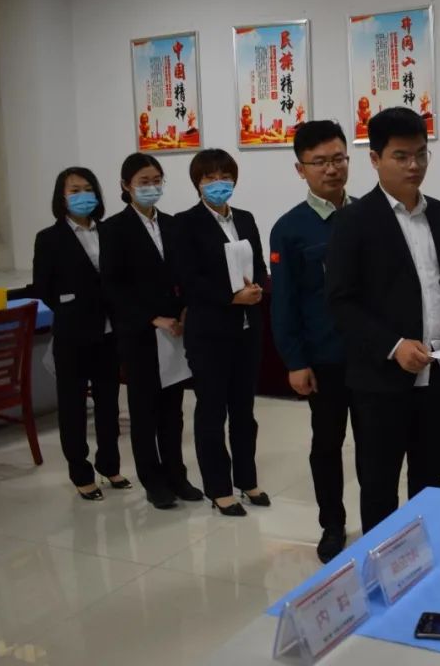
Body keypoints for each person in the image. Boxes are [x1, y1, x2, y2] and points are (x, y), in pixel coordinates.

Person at [326, 107, 440, 533]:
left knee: (431, 480)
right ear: (375, 159)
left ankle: (429, 553)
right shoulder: (353, 222)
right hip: (381, 382)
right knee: (379, 484)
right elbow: (341, 302)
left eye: (421, 154)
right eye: (401, 156)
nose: (414, 165)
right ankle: (383, 564)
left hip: (439, 375)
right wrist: (393, 346)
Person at [270, 121, 361, 558]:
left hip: (373, 355)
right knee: (326, 445)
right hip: (324, 359)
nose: (331, 169)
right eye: (320, 162)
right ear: (300, 169)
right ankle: (332, 524)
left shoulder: (369, 215)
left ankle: (380, 519)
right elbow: (284, 302)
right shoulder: (289, 229)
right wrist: (295, 360)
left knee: (377, 446)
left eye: (338, 158)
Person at [100, 153, 202, 510]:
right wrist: (150, 318)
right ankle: (152, 479)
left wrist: (184, 310)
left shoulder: (172, 225)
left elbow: (184, 273)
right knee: (144, 411)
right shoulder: (113, 229)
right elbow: (113, 287)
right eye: (144, 182)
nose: (151, 187)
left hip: (174, 330)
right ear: (126, 185)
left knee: (173, 410)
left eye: (157, 181)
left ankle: (177, 474)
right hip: (140, 332)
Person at [173, 148, 269, 517]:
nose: (218, 183)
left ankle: (247, 480)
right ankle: (218, 488)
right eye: (209, 178)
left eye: (224, 176)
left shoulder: (244, 218)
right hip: (209, 332)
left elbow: (258, 264)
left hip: (247, 329)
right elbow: (188, 280)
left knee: (244, 411)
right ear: (197, 183)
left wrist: (257, 287)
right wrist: (231, 297)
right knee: (212, 412)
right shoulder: (186, 223)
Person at [32, 167, 131, 501]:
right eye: (74, 190)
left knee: (108, 404)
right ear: (62, 197)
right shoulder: (49, 238)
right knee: (73, 407)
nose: (82, 195)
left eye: (88, 189)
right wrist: (72, 302)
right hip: (73, 335)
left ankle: (110, 465)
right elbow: (44, 287)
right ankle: (81, 472)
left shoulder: (110, 231)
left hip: (108, 333)